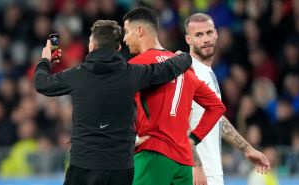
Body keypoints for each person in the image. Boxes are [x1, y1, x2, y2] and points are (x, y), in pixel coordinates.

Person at [34, 20, 193, 185]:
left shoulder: (76, 76)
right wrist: (184, 57)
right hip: (121, 167)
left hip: (84, 165)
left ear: (92, 45)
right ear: (118, 48)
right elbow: (165, 70)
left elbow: (41, 83)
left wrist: (46, 59)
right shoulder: (132, 74)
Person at [123, 7, 226, 185]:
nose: (124, 38)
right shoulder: (186, 68)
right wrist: (193, 140)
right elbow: (217, 107)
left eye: (126, 32)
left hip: (153, 155)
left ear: (139, 31)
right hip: (184, 163)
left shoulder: (136, 66)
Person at [185, 13, 270, 185]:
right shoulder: (188, 71)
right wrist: (196, 166)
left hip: (211, 172)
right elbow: (181, 123)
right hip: (197, 175)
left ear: (216, 34)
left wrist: (247, 149)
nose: (206, 39)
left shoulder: (207, 72)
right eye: (198, 35)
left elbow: (215, 119)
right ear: (188, 39)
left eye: (209, 33)